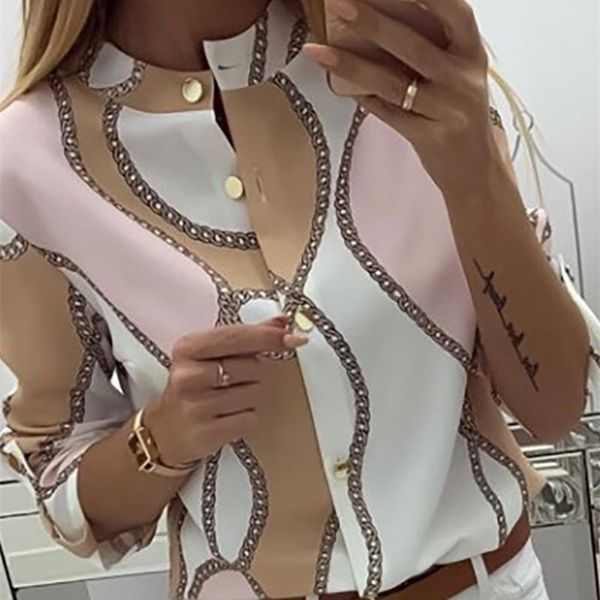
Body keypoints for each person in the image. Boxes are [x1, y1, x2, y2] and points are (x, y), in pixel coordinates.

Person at [0, 1, 598, 599]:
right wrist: (163, 435)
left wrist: (477, 175)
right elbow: (65, 483)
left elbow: (555, 407)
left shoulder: (400, 57)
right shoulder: (32, 158)